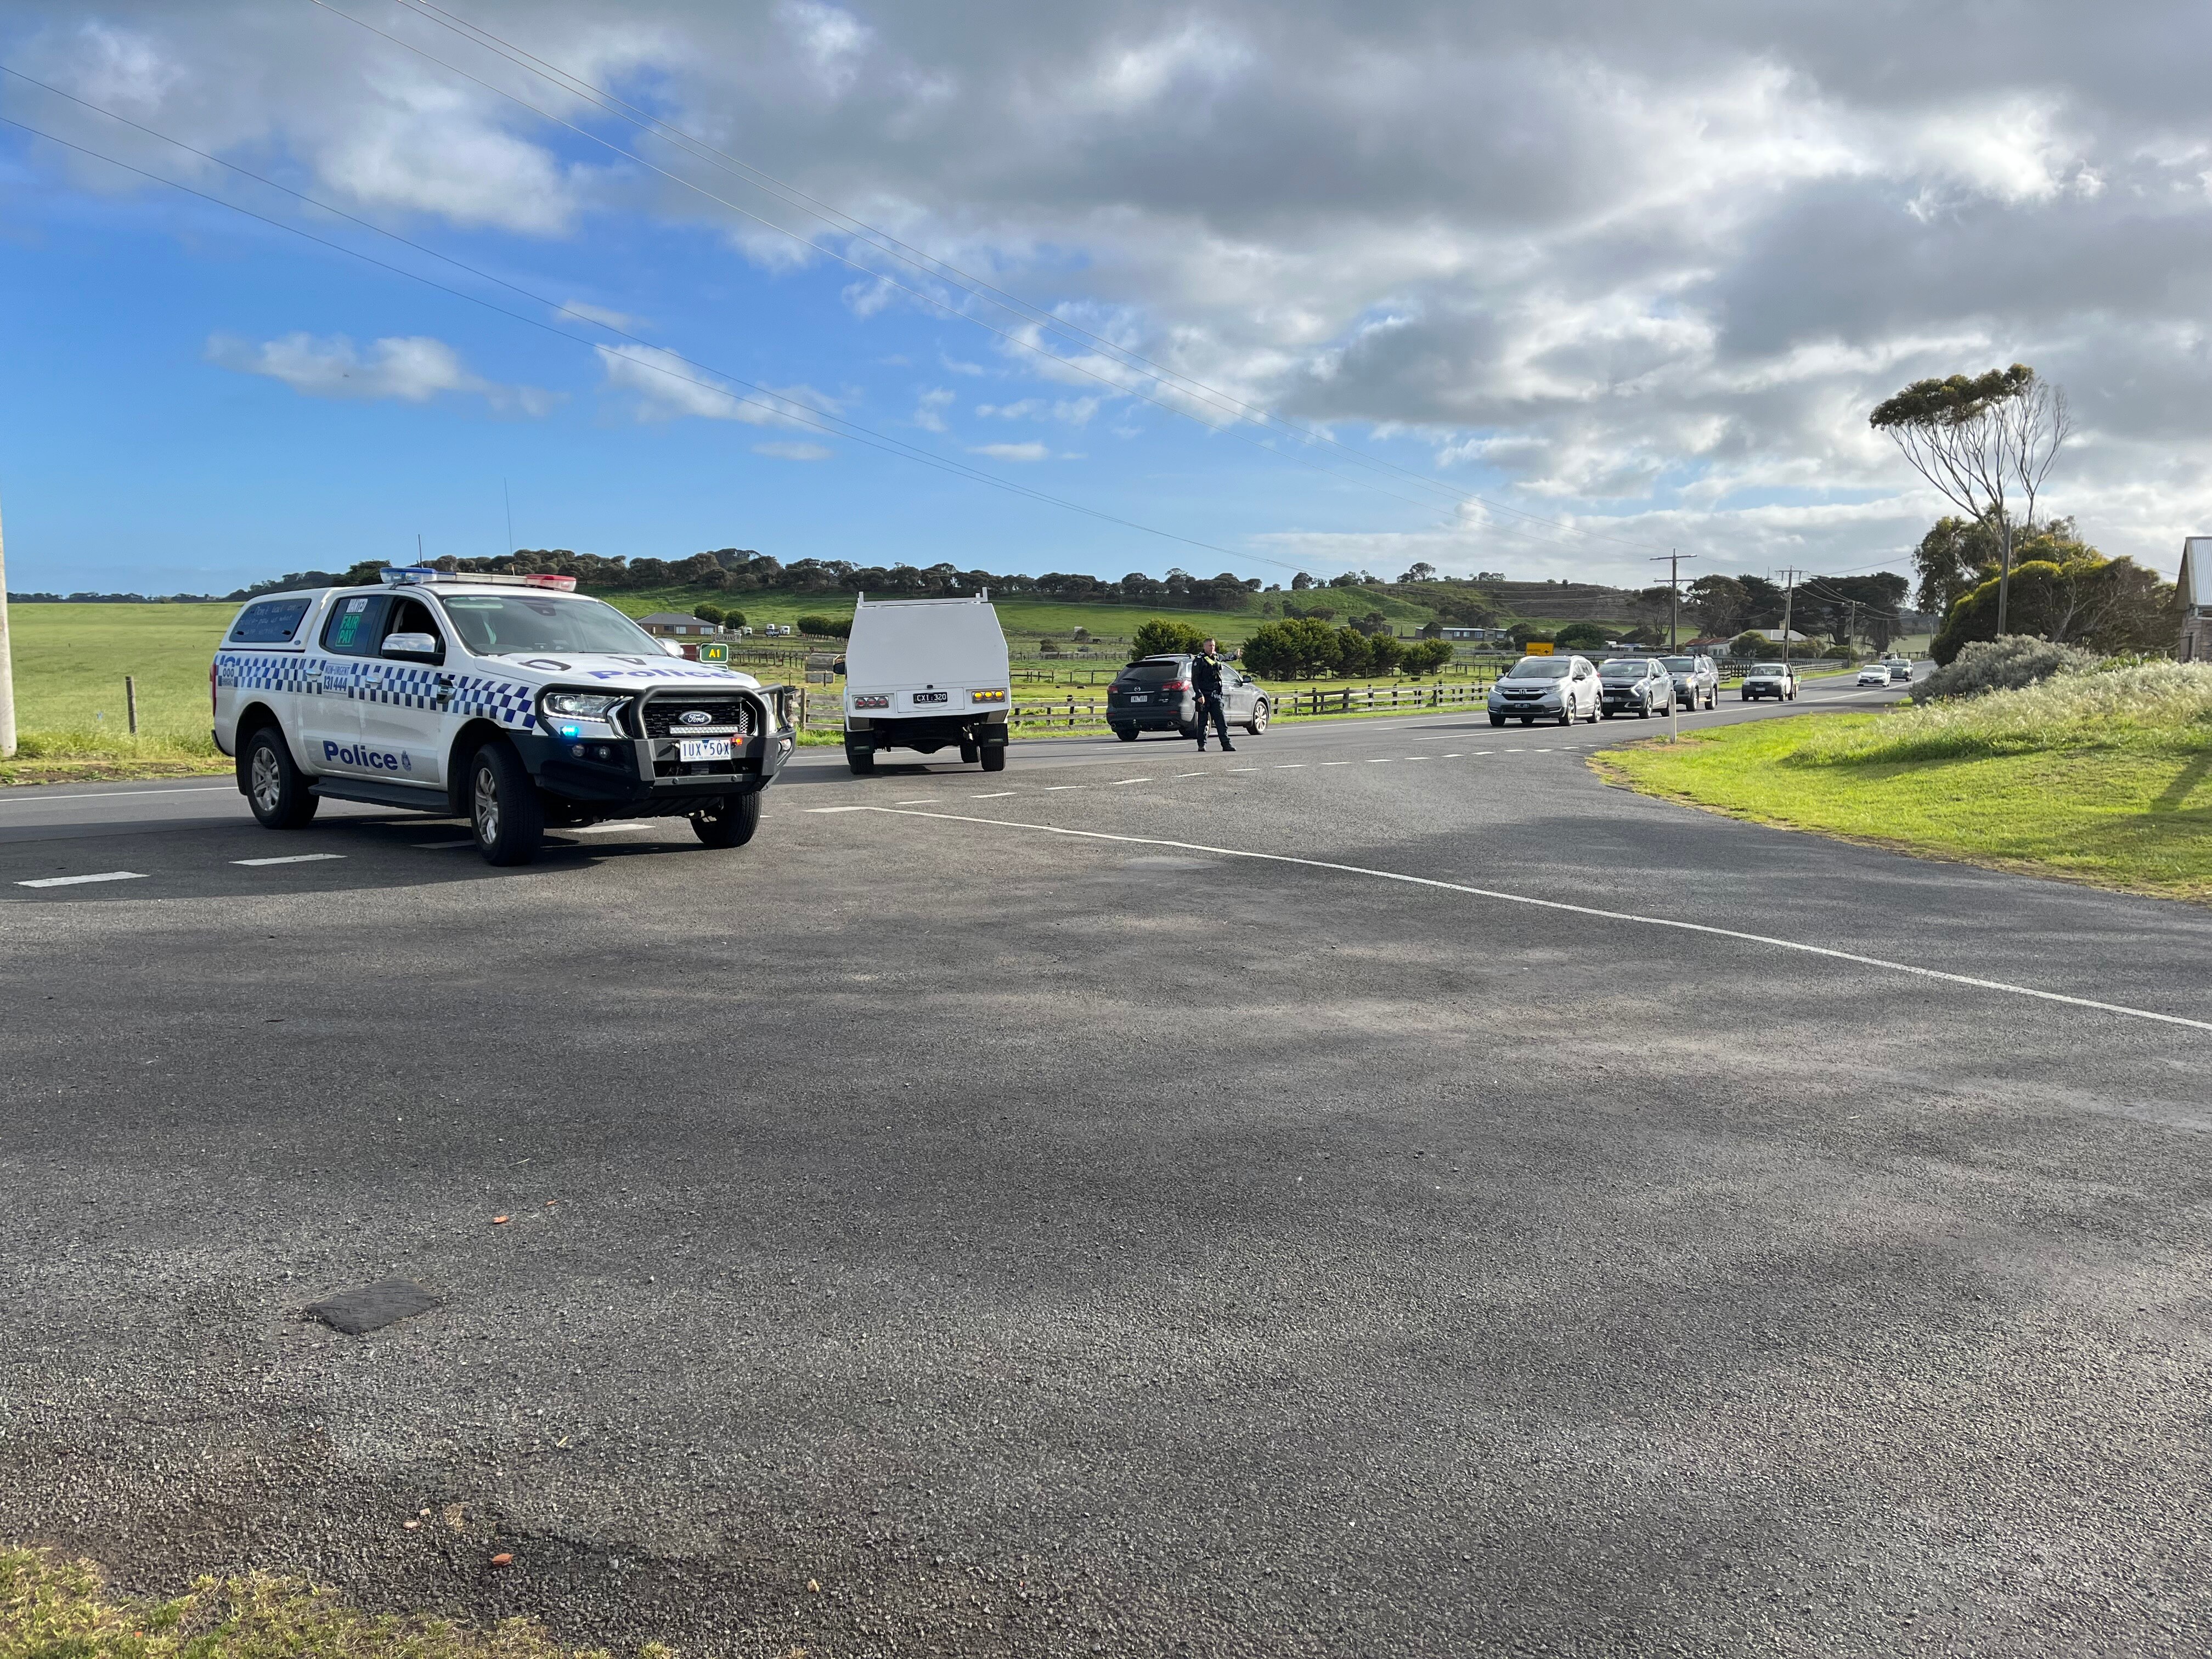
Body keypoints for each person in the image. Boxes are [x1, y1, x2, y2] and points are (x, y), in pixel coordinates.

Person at [1191, 639, 1235, 752]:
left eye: (1214, 645)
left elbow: (1226, 657)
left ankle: (1226, 745)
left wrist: (1235, 656)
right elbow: (1194, 679)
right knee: (1203, 722)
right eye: (1210, 645)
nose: (1212, 647)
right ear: (1205, 646)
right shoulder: (1199, 660)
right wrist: (1199, 694)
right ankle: (1201, 744)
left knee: (1221, 721)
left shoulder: (1216, 657)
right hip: (1204, 696)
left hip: (1216, 695)